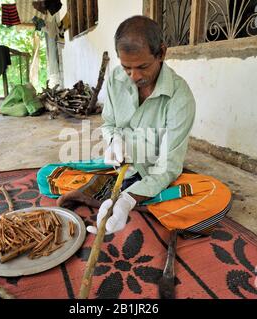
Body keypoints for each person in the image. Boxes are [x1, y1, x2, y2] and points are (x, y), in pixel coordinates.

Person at [37, 15, 231, 238]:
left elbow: (168, 167)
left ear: (162, 53)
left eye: (143, 66)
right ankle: (145, 207)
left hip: (155, 173)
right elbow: (109, 124)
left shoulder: (180, 97)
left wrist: (128, 199)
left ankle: (122, 201)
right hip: (115, 170)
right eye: (126, 67)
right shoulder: (116, 79)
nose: (134, 76)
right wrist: (113, 141)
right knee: (47, 175)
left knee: (217, 195)